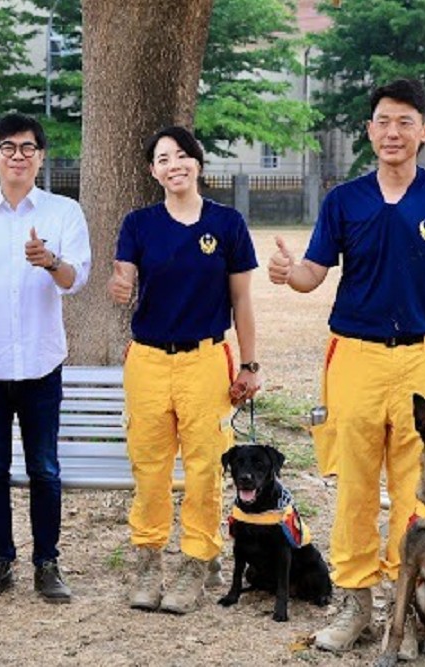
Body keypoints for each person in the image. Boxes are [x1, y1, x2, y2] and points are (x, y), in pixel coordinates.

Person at [268, 78, 425, 654]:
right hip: (356, 357)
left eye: (405, 121)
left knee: (418, 492)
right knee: (357, 488)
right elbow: (315, 272)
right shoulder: (345, 200)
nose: (393, 132)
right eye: (383, 121)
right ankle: (356, 603)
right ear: (370, 131)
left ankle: (405, 609)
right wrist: (291, 275)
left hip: (421, 358)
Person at [107, 125, 259, 615]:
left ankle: (197, 560)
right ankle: (148, 559)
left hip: (205, 360)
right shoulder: (138, 223)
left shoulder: (228, 223)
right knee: (149, 468)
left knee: (204, 468)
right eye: (163, 159)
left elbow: (242, 299)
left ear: (198, 161)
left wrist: (251, 364)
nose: (174, 165)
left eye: (182, 156)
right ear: (153, 171)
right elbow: (123, 277)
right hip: (148, 360)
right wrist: (119, 285)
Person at [0, 113, 91, 604]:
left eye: (28, 147)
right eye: (8, 147)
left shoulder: (64, 212)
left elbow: (77, 279)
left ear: (41, 156)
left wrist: (50, 261)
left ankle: (47, 563)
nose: (18, 156)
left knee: (46, 468)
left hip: (42, 364)